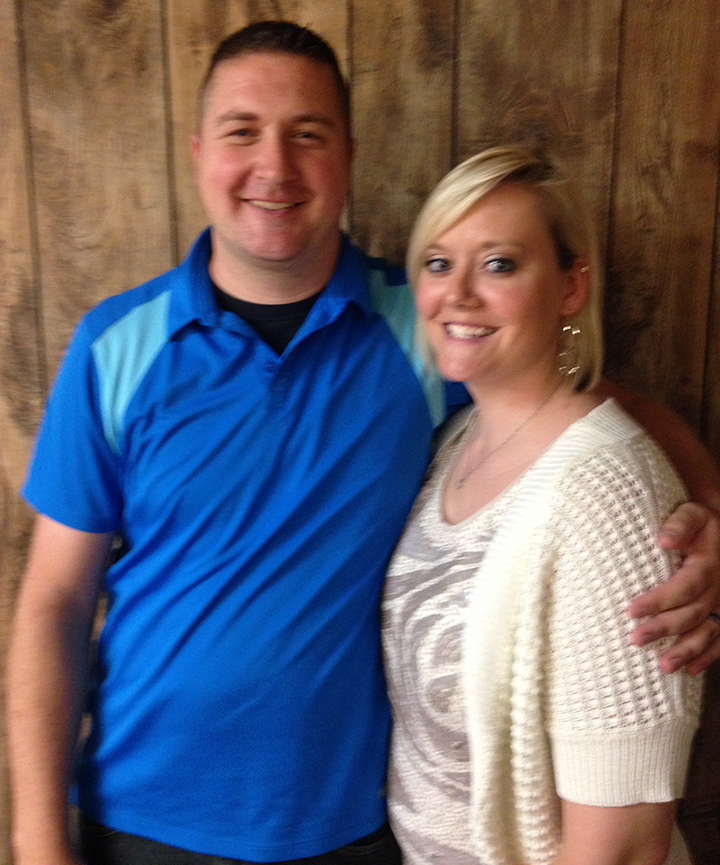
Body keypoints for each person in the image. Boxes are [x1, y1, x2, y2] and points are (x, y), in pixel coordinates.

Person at [5, 20, 720, 865]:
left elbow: (596, 407)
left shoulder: (427, 325)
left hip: (353, 830)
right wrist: (37, 837)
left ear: (346, 156)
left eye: (308, 134)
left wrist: (710, 512)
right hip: (140, 819)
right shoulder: (116, 345)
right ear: (198, 152)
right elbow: (54, 601)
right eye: (242, 132)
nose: (274, 166)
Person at [382, 146, 704, 865]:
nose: (459, 294)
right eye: (439, 263)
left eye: (499, 264)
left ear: (570, 286)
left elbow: (622, 847)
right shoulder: (455, 441)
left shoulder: (607, 495)